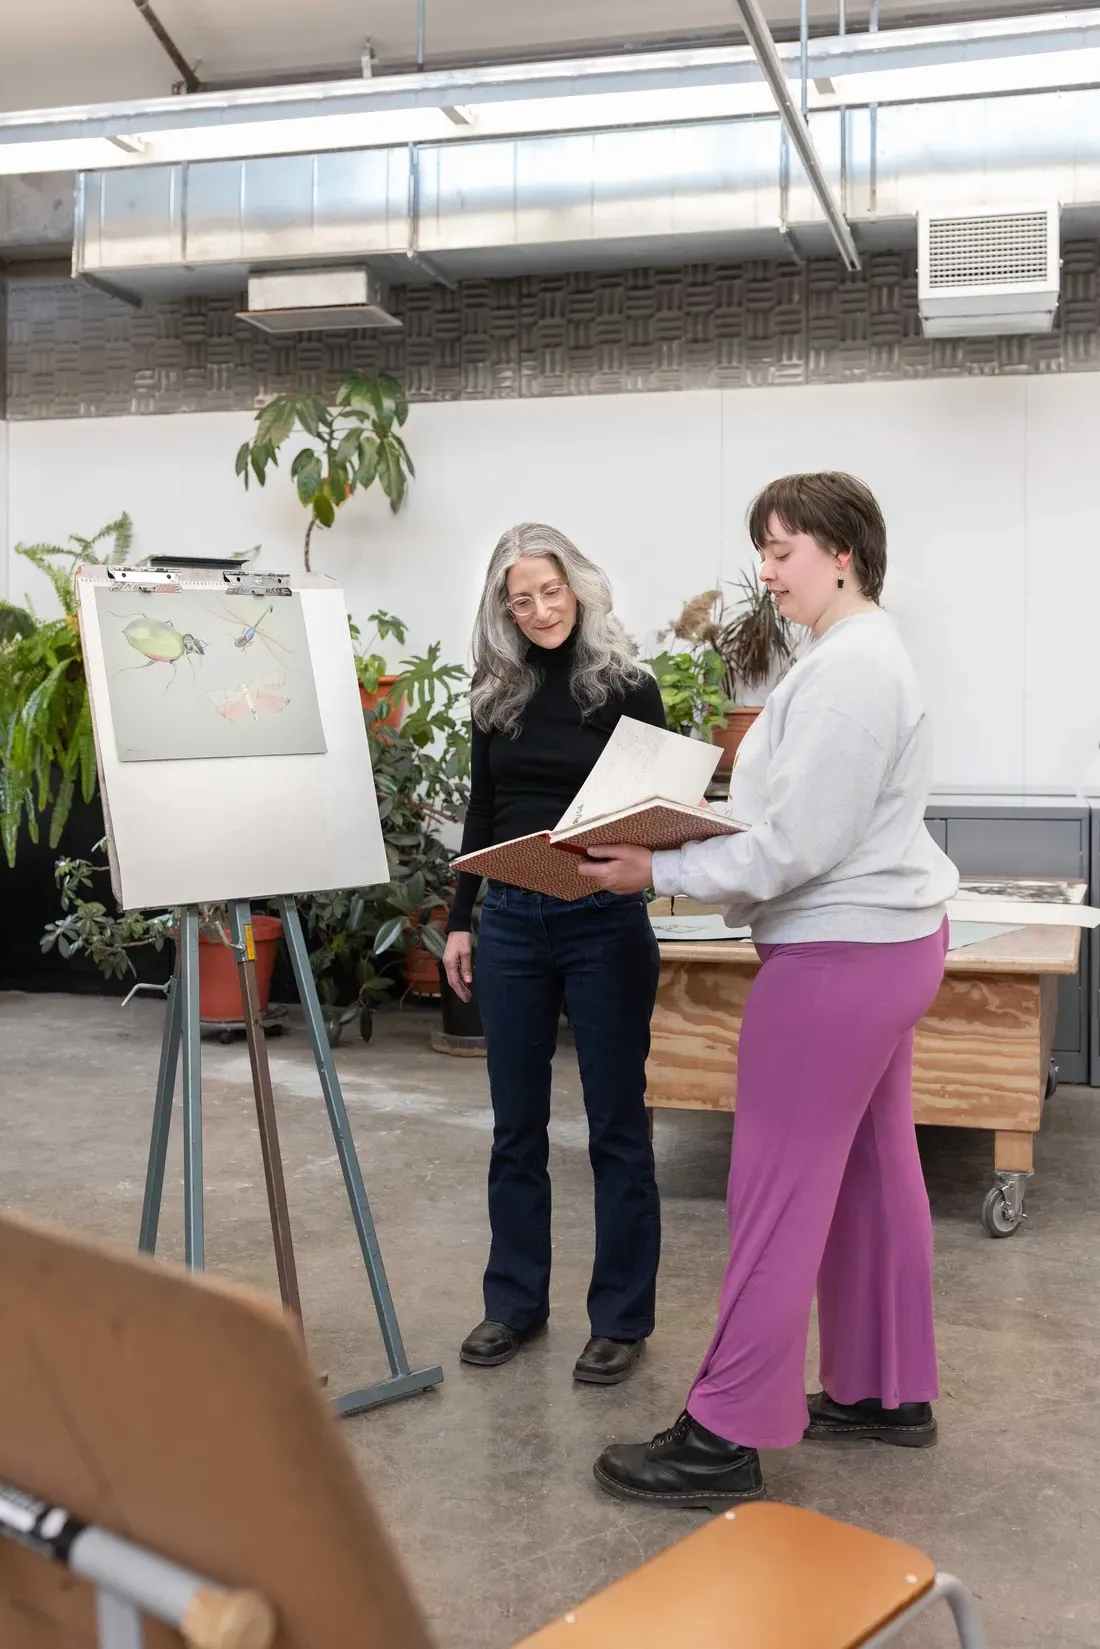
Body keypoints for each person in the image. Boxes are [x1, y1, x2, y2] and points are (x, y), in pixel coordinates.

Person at [577, 472, 960, 1506]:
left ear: (843, 551)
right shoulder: (855, 657)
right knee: (874, 1173)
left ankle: (720, 1432)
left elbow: (794, 843)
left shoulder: (849, 670)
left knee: (774, 1192)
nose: (766, 569)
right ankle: (883, 1390)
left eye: (782, 548)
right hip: (884, 943)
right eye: (764, 549)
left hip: (838, 956)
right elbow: (803, 822)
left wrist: (654, 869)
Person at [443, 523, 667, 1386]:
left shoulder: (627, 687)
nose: (539, 609)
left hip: (601, 922)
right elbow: (481, 806)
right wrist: (461, 917)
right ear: (502, 609)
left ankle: (619, 1317)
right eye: (520, 597)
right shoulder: (493, 691)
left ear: (579, 587)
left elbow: (658, 807)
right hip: (509, 923)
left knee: (616, 1126)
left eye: (550, 590)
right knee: (515, 1127)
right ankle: (514, 1303)